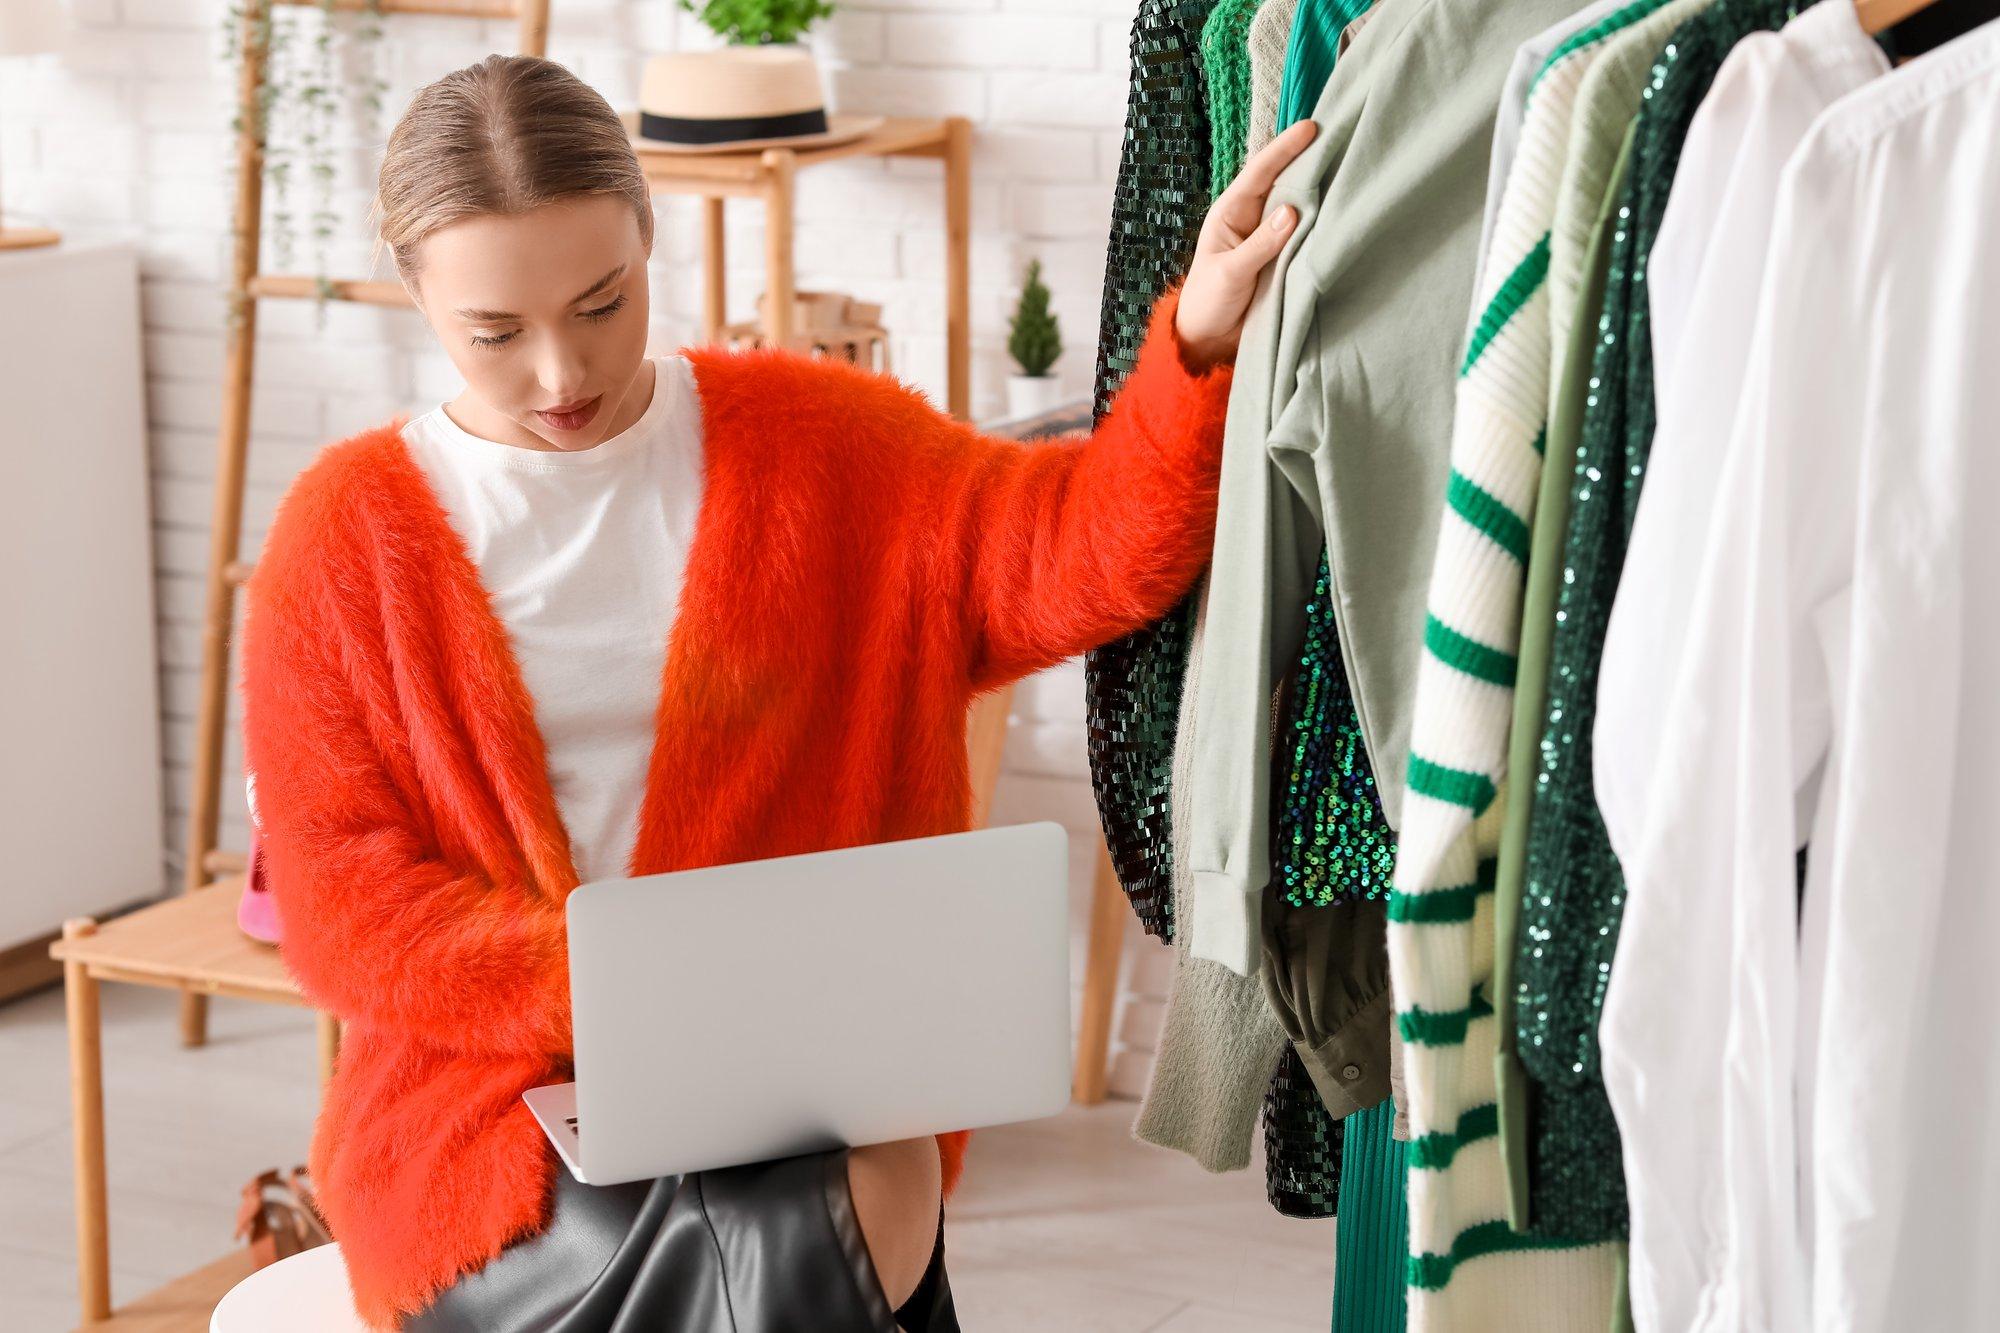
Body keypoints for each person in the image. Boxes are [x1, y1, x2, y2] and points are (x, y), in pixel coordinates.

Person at [239, 52, 1312, 1333]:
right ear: (414, 293)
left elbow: (1072, 553)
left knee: (867, 1179)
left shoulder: (818, 444)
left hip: (789, 1073)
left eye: (599, 302)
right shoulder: (345, 538)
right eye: (494, 335)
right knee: (834, 1239)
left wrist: (1198, 340)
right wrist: (620, 990)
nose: (560, 375)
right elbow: (342, 901)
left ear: (647, 234)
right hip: (496, 1118)